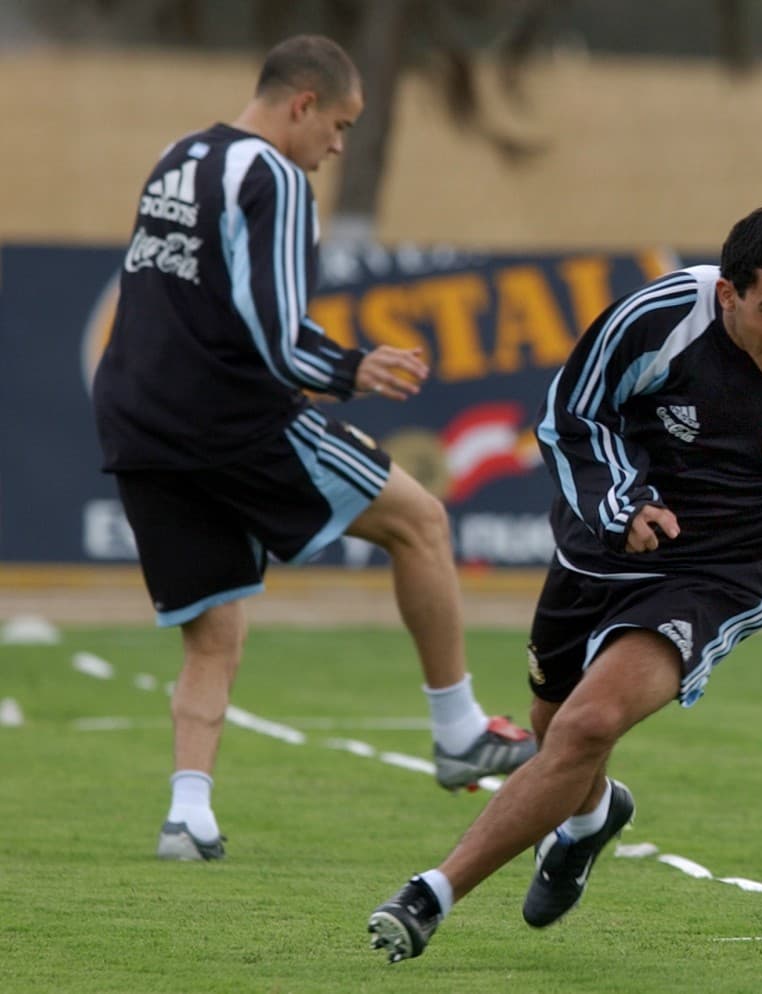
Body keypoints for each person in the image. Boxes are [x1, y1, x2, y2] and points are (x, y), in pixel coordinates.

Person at [365, 204, 762, 961]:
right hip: (604, 545)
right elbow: (570, 417)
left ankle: (431, 894)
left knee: (587, 726)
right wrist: (623, 503)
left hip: (728, 570)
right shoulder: (658, 318)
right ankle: (592, 817)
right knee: (552, 724)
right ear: (728, 294)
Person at [91, 35, 535, 863]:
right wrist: (351, 367)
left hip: (136, 422)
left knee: (214, 623)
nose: (337, 147)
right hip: (229, 421)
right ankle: (460, 732)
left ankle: (188, 816)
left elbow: (179, 300)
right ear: (302, 104)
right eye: (339, 125)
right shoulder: (275, 176)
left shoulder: (178, 156)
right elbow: (275, 331)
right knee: (421, 522)